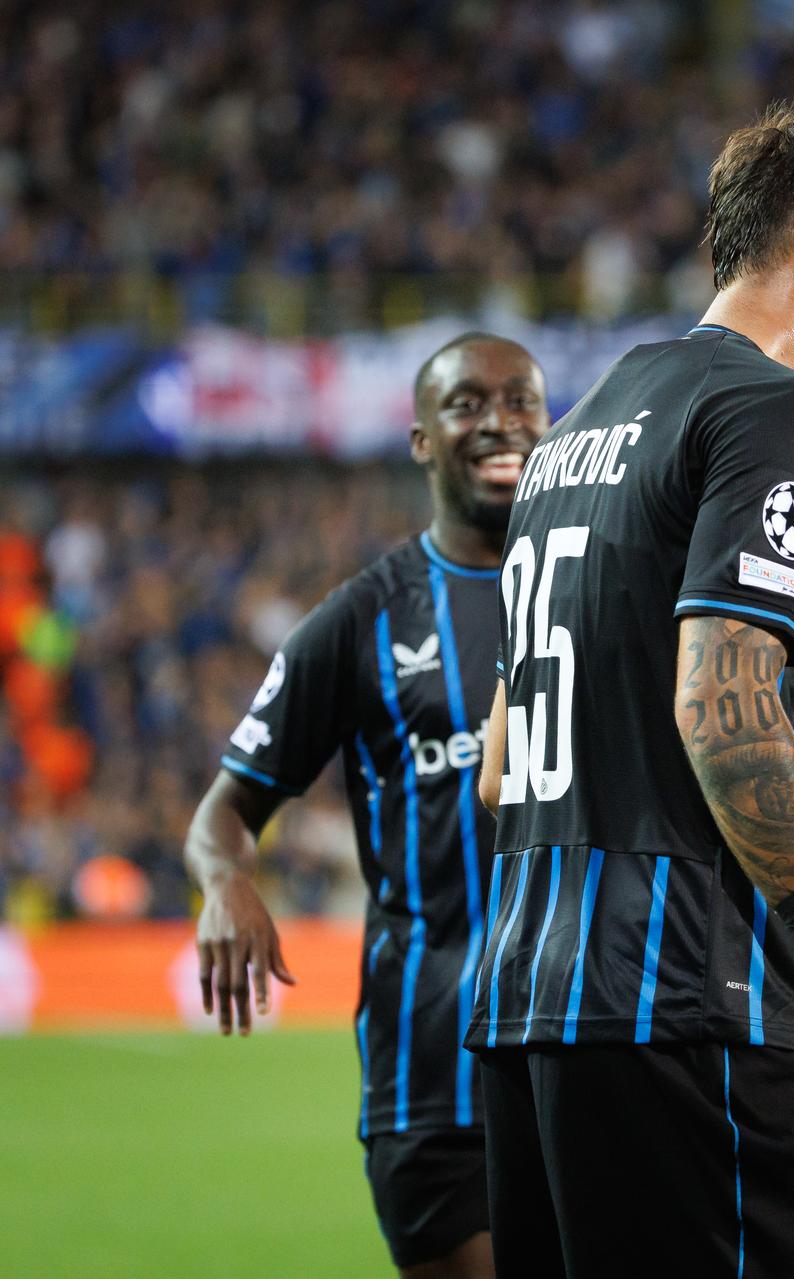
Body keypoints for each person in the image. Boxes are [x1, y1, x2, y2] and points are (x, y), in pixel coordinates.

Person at [467, 106, 794, 1278]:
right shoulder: (773, 408)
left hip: (525, 1004)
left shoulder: (578, 435)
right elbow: (719, 706)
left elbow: (505, 764)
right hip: (686, 1003)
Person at [186, 333, 552, 1278]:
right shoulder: (363, 619)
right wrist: (225, 882)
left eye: (520, 400)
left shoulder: (601, 590)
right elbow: (224, 812)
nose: (500, 422)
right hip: (433, 1071)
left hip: (592, 1052)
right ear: (423, 439)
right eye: (467, 404)